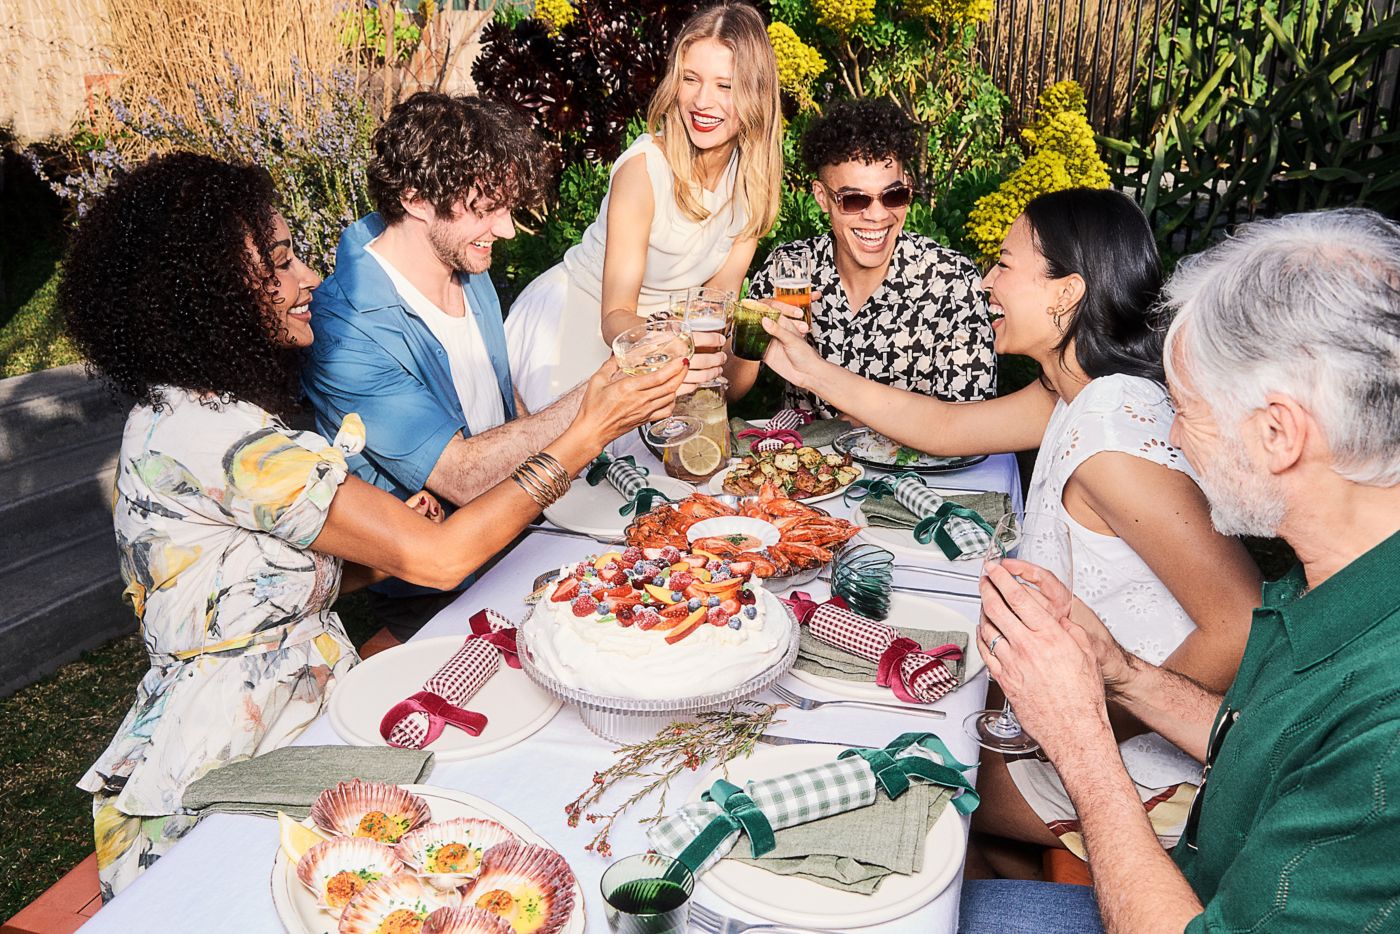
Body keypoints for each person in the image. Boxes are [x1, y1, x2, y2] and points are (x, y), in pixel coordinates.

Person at [60, 152, 685, 899]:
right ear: (208, 292)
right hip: (239, 757)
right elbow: (443, 560)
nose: (308, 281)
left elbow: (251, 590)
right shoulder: (229, 443)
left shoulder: (190, 411)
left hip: (308, 712)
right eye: (281, 264)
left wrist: (378, 552)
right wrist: (588, 431)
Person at [760, 187, 1262, 867]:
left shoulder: (1112, 438)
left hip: (1149, 762)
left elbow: (1240, 620)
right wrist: (811, 369)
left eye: (1003, 263)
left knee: (892, 784)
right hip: (1084, 713)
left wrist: (1082, 729)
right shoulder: (1074, 390)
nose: (985, 282)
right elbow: (944, 427)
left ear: (1066, 293)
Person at [961, 207, 1400, 933]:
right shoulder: (1335, 579)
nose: (1166, 432)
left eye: (1189, 410)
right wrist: (1124, 672)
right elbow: (1262, 743)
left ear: (1278, 433)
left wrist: (1082, 740)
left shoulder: (1385, 734)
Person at [301, 93, 611, 640]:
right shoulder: (347, 328)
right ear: (416, 198)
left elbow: (497, 394)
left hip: (524, 534)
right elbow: (463, 477)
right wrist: (604, 394)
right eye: (486, 208)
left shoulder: (462, 260)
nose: (506, 229)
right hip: (442, 591)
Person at [505, 0, 783, 412]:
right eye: (690, 79)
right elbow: (615, 316)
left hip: (664, 346)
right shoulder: (642, 171)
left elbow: (716, 307)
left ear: (755, 94)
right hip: (575, 326)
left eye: (725, 86)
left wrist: (754, 330)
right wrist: (680, 346)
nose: (702, 101)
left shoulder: (752, 184)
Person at [729, 98, 996, 412]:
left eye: (893, 195)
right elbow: (729, 390)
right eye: (854, 200)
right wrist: (753, 330)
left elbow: (971, 419)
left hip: (909, 448)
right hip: (806, 446)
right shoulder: (789, 269)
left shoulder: (951, 281)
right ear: (822, 197)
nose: (877, 215)